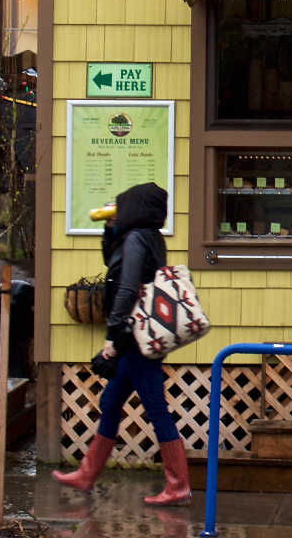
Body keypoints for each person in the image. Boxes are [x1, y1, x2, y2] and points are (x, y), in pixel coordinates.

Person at [52, 182, 190, 506]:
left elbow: (127, 288)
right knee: (112, 400)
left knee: (156, 408)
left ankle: (179, 485)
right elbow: (112, 266)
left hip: (134, 338)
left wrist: (112, 338)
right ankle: (87, 474)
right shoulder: (143, 237)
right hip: (137, 338)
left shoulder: (137, 239)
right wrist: (109, 232)